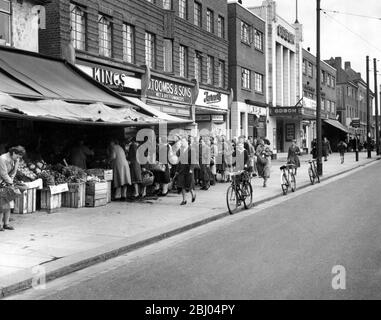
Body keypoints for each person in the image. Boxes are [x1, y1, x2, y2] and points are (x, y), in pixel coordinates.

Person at [0, 146, 26, 231]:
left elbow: (14, 171)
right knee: (1, 204)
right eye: (18, 156)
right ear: (14, 152)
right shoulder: (2, 159)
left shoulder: (16, 159)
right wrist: (10, 183)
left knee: (8, 203)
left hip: (8, 182)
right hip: (1, 182)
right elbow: (3, 174)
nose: (18, 158)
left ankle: (6, 224)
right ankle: (0, 225)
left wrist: (11, 181)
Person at [176, 137, 196, 205]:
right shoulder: (180, 150)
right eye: (181, 142)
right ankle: (184, 200)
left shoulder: (191, 150)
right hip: (181, 170)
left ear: (187, 142)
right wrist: (177, 170)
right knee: (182, 185)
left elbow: (193, 161)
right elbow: (178, 159)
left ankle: (193, 193)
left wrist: (191, 169)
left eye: (183, 141)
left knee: (189, 185)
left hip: (188, 170)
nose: (182, 143)